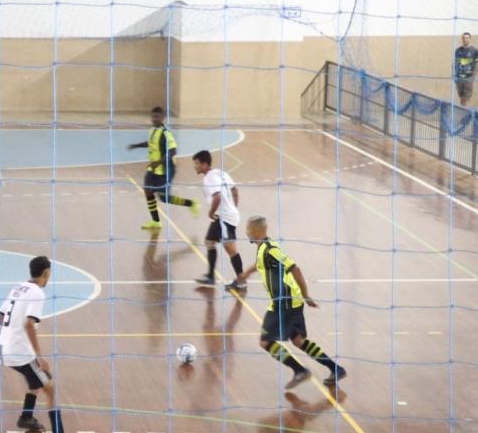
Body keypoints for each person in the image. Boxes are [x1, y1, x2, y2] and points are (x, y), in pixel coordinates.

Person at [232, 216, 346, 389]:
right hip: (287, 300)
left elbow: (295, 269)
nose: (246, 232)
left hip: (285, 302)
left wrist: (306, 296)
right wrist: (245, 274)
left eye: (248, 229)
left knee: (265, 342)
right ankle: (336, 369)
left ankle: (300, 371)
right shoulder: (265, 248)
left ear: (255, 231)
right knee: (298, 340)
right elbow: (260, 264)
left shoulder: (270, 250)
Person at [0, 255, 83, 433]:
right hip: (20, 352)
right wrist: (39, 355)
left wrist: (10, 334)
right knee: (50, 387)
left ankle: (26, 417)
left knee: (36, 380)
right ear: (47, 273)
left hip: (3, 349)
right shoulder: (37, 293)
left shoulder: (18, 288)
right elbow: (28, 325)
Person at [128, 106, 197, 231]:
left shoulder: (166, 133)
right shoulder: (153, 130)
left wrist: (158, 163)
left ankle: (191, 203)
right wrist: (136, 145)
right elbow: (151, 143)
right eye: (153, 116)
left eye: (157, 117)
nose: (154, 119)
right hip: (154, 168)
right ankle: (156, 221)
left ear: (162, 118)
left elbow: (172, 151)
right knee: (148, 191)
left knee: (164, 198)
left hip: (165, 169)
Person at [191, 149, 245, 292]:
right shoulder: (221, 173)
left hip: (225, 218)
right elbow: (235, 191)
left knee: (231, 249)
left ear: (204, 164)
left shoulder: (209, 178)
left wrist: (211, 212)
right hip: (224, 216)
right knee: (209, 242)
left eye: (196, 163)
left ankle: (241, 281)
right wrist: (234, 208)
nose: (195, 166)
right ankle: (210, 276)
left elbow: (217, 197)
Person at [452, 32, 478, 104]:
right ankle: (463, 111)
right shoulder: (457, 50)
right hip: (459, 77)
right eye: (464, 38)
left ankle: (466, 113)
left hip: (468, 77)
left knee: (467, 98)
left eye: (467, 38)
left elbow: (477, 64)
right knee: (461, 97)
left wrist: (473, 77)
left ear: (470, 39)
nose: (465, 40)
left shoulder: (475, 50)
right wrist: (454, 75)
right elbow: (455, 63)